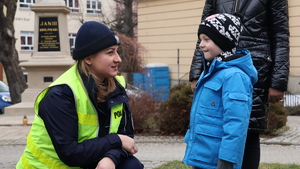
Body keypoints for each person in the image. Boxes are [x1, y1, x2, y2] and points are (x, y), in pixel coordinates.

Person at [16, 21, 144, 169]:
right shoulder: (60, 95)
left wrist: (111, 158)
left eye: (117, 51)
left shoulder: (116, 86)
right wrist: (115, 140)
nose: (118, 59)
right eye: (110, 52)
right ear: (88, 58)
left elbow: (126, 138)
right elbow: (71, 154)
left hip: (87, 162)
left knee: (131, 165)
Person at [189, 1, 290, 168]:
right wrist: (196, 73)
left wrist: (278, 81)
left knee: (248, 128)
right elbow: (205, 29)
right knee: (216, 126)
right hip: (216, 66)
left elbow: (280, 34)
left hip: (257, 68)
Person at [183, 13, 258, 169]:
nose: (201, 45)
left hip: (218, 161)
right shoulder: (210, 71)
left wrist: (227, 160)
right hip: (202, 156)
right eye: (200, 39)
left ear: (223, 41)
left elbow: (236, 123)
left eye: (206, 39)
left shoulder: (234, 76)